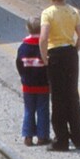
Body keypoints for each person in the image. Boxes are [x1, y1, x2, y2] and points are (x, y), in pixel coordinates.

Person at [39, 0, 80, 151]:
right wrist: (74, 49)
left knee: (58, 99)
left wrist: (45, 57)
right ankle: (78, 137)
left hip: (55, 55)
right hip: (70, 54)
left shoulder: (48, 13)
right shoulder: (73, 11)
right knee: (72, 95)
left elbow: (43, 38)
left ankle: (61, 140)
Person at [16, 15, 50, 146]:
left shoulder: (23, 47)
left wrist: (23, 77)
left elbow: (19, 64)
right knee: (43, 109)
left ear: (27, 29)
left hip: (28, 85)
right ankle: (43, 137)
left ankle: (28, 137)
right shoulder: (44, 46)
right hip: (43, 85)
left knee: (29, 110)